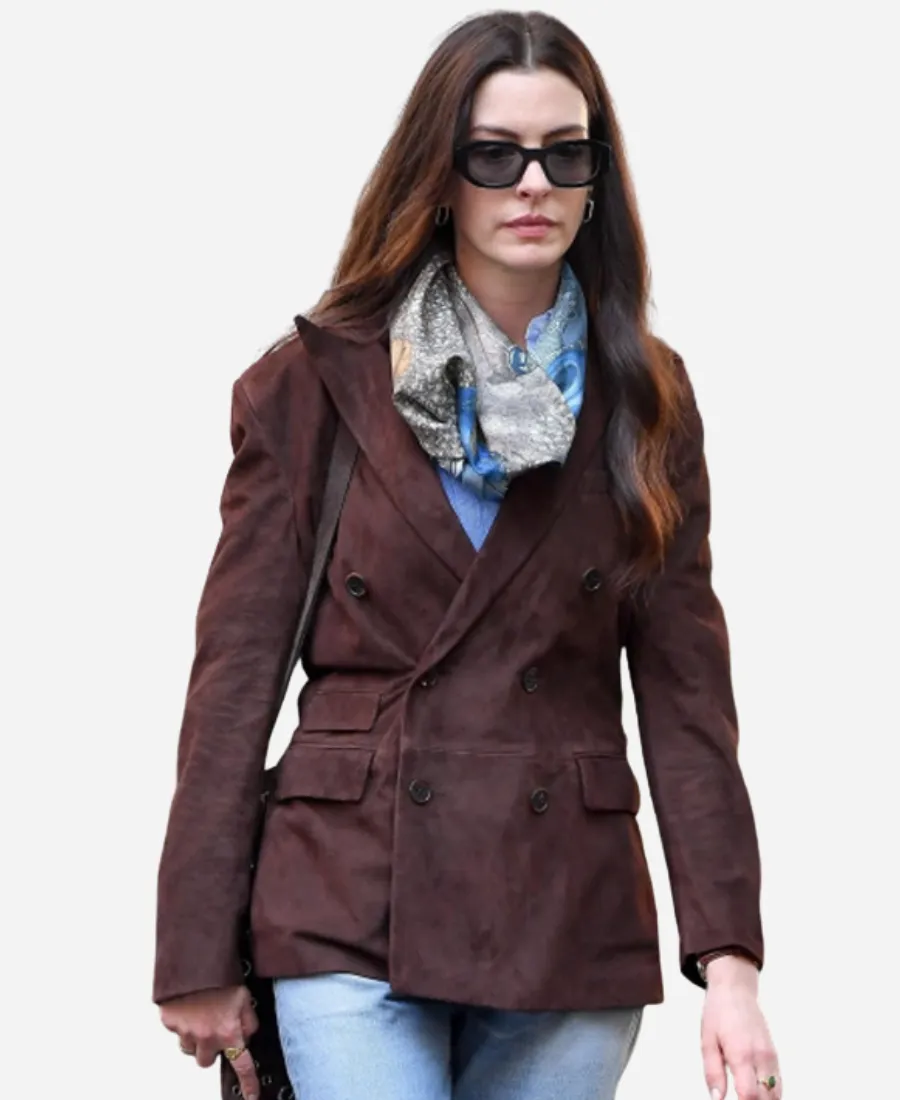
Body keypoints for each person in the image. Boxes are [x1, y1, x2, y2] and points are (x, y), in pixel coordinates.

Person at [154, 10, 782, 1100]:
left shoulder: (645, 399)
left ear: (597, 179)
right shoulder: (312, 384)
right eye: (495, 154)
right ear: (439, 174)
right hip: (349, 894)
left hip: (566, 909)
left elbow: (689, 698)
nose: (532, 183)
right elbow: (234, 679)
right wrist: (195, 948)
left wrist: (731, 965)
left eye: (565, 154)